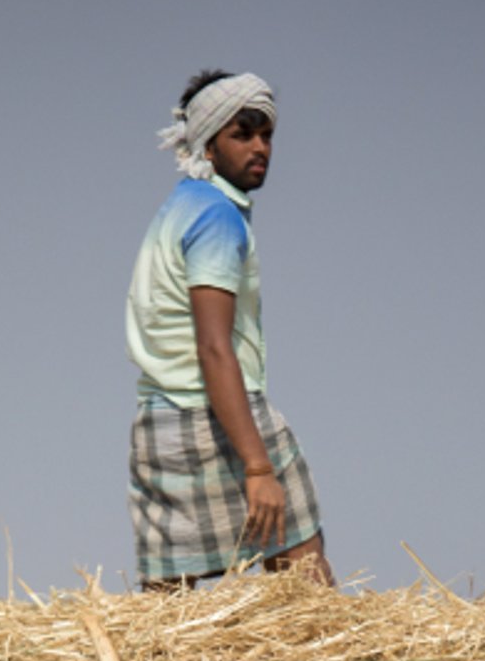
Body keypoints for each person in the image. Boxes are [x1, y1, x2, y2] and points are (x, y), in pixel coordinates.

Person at [126, 69, 333, 590]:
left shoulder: (177, 209)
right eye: (242, 134)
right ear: (207, 145)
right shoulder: (217, 218)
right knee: (310, 587)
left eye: (266, 134)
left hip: (159, 425)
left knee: (163, 613)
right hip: (219, 417)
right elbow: (214, 347)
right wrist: (258, 468)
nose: (260, 146)